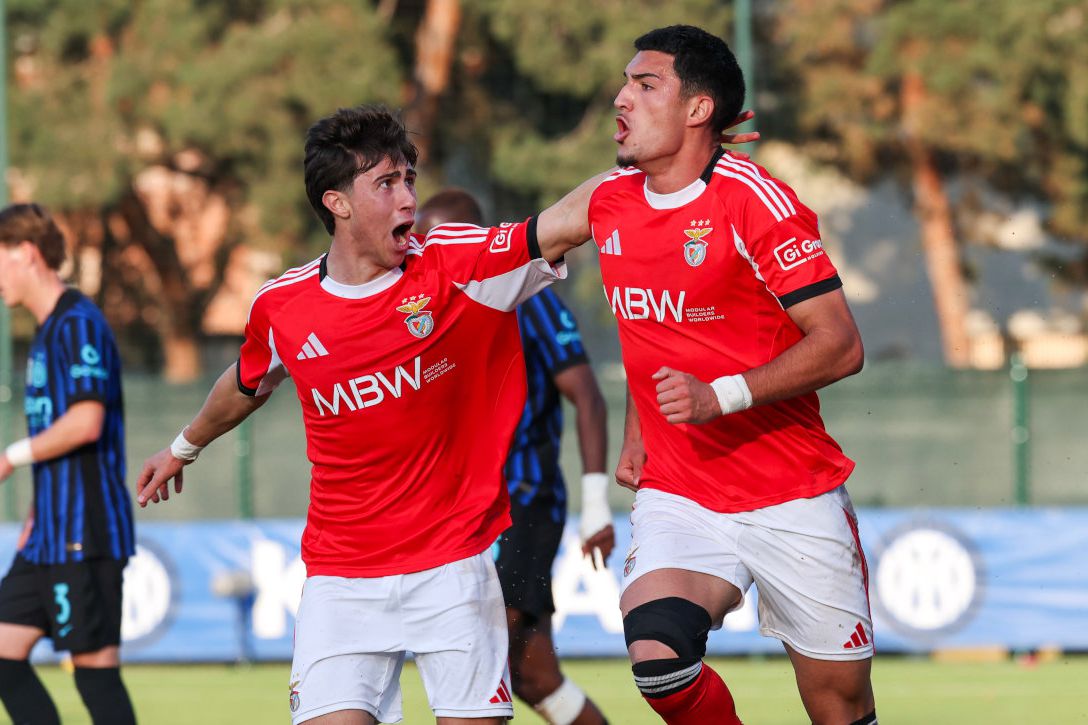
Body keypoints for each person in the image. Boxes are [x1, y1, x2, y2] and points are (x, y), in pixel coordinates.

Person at [135, 105, 604, 725]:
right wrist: (182, 447)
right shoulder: (283, 306)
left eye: (409, 178)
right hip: (341, 580)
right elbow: (247, 383)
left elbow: (569, 220)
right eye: (386, 183)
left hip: (452, 566)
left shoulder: (455, 264)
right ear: (338, 202)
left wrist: (669, 159)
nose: (409, 198)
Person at [593, 25, 876, 725]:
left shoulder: (753, 198)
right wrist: (638, 428)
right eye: (626, 82)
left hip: (791, 491)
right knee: (659, 658)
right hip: (680, 490)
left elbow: (840, 343)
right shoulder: (610, 204)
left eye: (645, 84)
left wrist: (722, 395)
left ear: (699, 109)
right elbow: (648, 325)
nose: (622, 97)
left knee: (839, 706)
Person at [417, 190, 612, 725]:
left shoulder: (529, 296)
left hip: (523, 502)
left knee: (478, 650)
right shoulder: (428, 303)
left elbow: (588, 395)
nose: (425, 248)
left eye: (435, 236)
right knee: (532, 675)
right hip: (467, 509)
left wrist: (596, 503)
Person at [0, 203, 137, 725]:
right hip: (47, 537)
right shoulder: (44, 332)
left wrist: (10, 458)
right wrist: (35, 515)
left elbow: (85, 423)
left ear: (25, 253)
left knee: (94, 675)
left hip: (86, 534)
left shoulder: (78, 324)